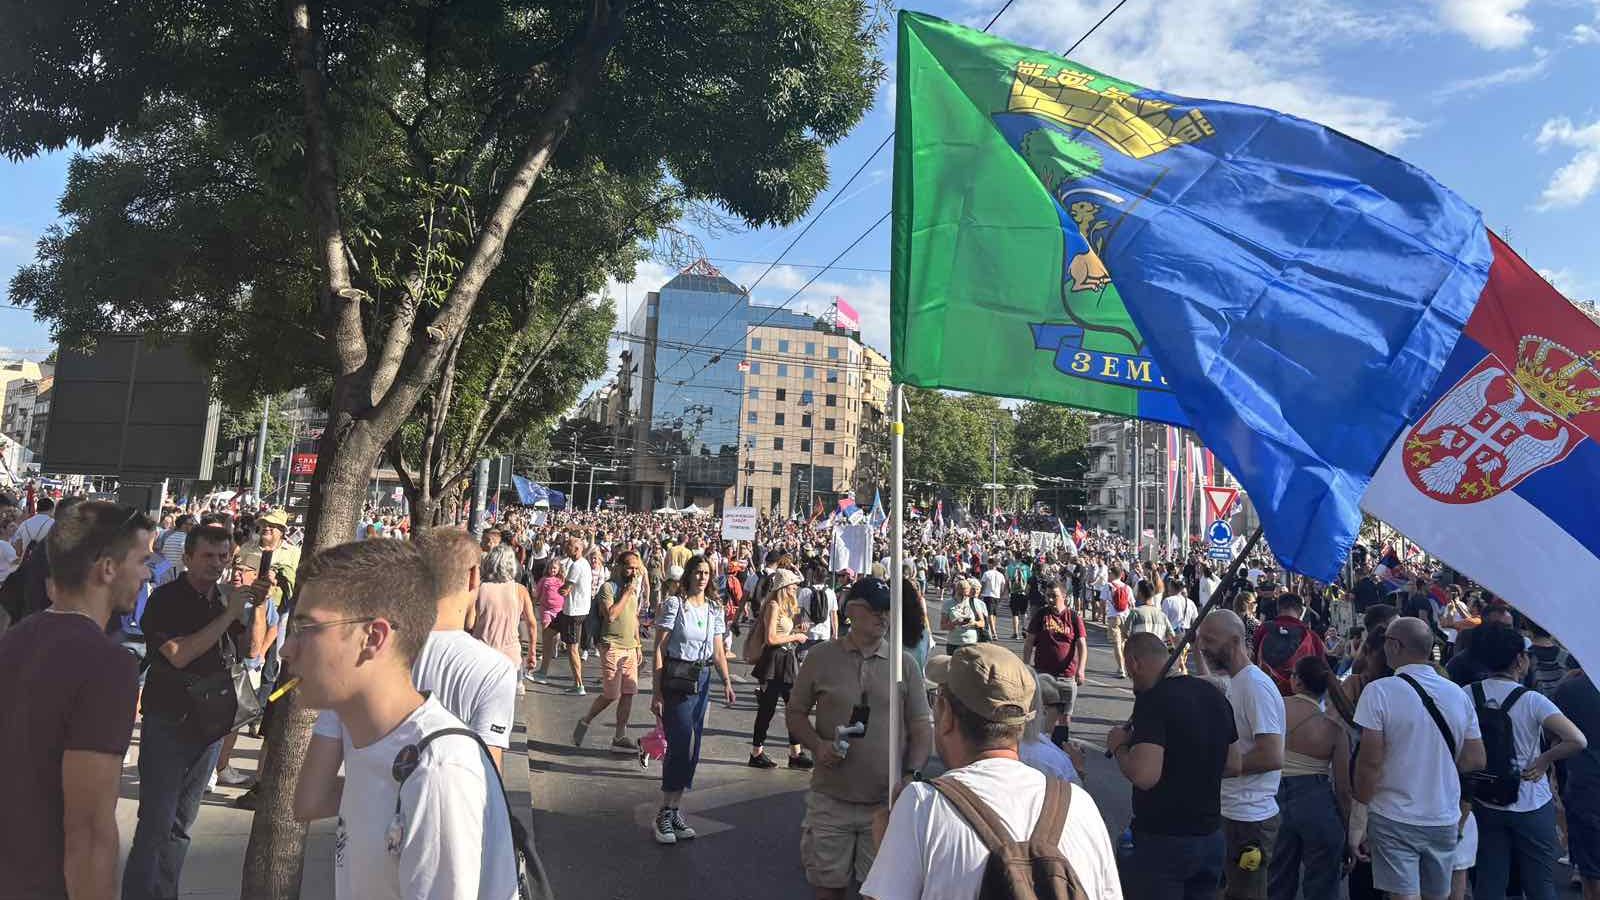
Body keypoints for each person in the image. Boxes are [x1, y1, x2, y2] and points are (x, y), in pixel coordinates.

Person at [282, 539, 518, 900]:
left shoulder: (438, 771)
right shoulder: (368, 740)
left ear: (373, 638)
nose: (286, 649)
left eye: (307, 628)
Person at [862, 642, 1119, 900]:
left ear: (946, 714)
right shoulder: (1079, 804)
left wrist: (886, 847)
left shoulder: (923, 805)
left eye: (936, 699)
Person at [0, 501, 151, 900]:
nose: (147, 573)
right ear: (107, 568)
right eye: (141, 561)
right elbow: (89, 830)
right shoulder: (108, 665)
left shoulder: (12, 640)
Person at [123, 522, 251, 900]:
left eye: (223, 556)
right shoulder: (165, 600)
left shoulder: (224, 599)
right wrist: (228, 615)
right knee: (156, 824)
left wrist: (250, 608)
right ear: (188, 557)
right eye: (208, 556)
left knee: (181, 825)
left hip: (210, 725)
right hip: (168, 720)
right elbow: (179, 655)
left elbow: (248, 648)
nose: (217, 564)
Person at [789, 577, 934, 900]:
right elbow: (795, 713)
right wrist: (818, 746)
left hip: (884, 804)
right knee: (827, 890)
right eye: (874, 609)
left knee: (879, 894)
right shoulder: (821, 657)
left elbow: (921, 725)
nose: (883, 616)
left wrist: (912, 774)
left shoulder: (904, 664)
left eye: (887, 609)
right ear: (852, 610)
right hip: (830, 800)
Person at [1352, 617, 1486, 900]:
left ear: (1394, 645)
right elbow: (1475, 759)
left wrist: (1358, 818)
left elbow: (1369, 763)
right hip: (1443, 815)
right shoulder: (1457, 695)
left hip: (1393, 814)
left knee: (1402, 895)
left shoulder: (1378, 692)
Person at [1106, 632, 1237, 899]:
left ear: (1134, 663)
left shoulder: (1153, 701)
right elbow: (1234, 764)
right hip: (1210, 836)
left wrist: (1119, 747)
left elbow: (1144, 775)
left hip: (1163, 840)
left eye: (1129, 670)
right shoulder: (1214, 695)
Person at [1464, 623, 1586, 900]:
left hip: (1484, 798)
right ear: (1519, 660)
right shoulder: (1532, 700)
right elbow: (1577, 740)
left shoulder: (1467, 694)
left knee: (1489, 881)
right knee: (1540, 885)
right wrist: (1544, 760)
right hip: (1530, 799)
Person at [1197, 609, 1287, 900]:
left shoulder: (1254, 686)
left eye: (1209, 640)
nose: (1203, 647)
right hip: (1231, 813)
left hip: (1249, 820)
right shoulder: (1236, 682)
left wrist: (1216, 770)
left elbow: (1271, 756)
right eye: (1201, 640)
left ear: (1235, 641)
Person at [649, 556, 738, 845]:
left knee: (693, 747)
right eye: (698, 572)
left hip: (702, 678)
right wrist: (656, 691)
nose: (702, 577)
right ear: (688, 575)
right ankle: (664, 812)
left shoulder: (714, 608)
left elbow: (718, 650)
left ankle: (675, 809)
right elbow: (659, 649)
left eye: (707, 573)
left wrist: (727, 681)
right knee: (679, 744)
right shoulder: (675, 604)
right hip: (677, 677)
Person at [1267, 656, 1354, 900]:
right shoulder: (1334, 729)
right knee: (1322, 885)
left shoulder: (1275, 707)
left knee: (1276, 882)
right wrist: (1350, 832)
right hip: (1317, 802)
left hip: (1274, 798)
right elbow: (1344, 791)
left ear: (1297, 681)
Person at [573, 550, 647, 754]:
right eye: (630, 567)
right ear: (620, 567)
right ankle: (586, 720)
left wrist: (638, 644)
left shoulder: (633, 589)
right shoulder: (609, 587)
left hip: (630, 647)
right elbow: (611, 615)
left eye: (636, 568)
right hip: (611, 645)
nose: (634, 572)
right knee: (611, 694)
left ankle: (620, 736)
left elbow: (634, 618)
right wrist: (626, 594)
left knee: (628, 693)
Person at [748, 566, 809, 769]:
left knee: (794, 707)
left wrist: (796, 630)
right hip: (774, 661)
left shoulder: (784, 606)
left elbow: (781, 634)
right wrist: (796, 636)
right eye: (793, 585)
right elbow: (771, 638)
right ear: (784, 586)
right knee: (767, 708)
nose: (796, 588)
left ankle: (795, 752)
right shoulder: (773, 606)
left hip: (786, 660)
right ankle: (757, 752)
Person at [1552, 664, 1600, 900]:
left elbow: (1553, 736)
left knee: (1591, 871)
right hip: (1583, 784)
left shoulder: (1569, 689)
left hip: (1583, 784)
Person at [1024, 577, 1087, 742]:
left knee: (1065, 718)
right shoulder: (1041, 615)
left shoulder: (1073, 617)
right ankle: (1043, 746)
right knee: (1048, 714)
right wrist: (1026, 666)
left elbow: (1082, 644)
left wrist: (1081, 670)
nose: (1050, 599)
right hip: (1045, 675)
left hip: (1067, 676)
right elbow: (1029, 642)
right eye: (1048, 596)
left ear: (1064, 596)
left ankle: (1060, 747)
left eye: (1054, 596)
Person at [472, 543, 538, 678]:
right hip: (510, 657)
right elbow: (532, 624)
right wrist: (532, 651)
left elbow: (469, 623)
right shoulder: (520, 591)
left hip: (482, 654)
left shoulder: (479, 589)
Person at [1253, 593, 1328, 698]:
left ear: (1278, 609)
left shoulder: (1263, 630)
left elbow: (1253, 660)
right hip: (1300, 699)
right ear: (1300, 611)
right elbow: (1322, 672)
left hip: (1266, 694)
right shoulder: (1311, 636)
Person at [554, 535, 593, 694]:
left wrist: (557, 585)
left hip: (574, 611)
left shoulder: (576, 566)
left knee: (572, 648)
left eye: (568, 546)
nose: (565, 548)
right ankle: (542, 671)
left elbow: (565, 589)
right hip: (574, 609)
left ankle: (579, 684)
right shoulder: (583, 563)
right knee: (549, 631)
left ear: (576, 549)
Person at [940, 576, 987, 654]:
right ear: (956, 591)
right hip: (954, 643)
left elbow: (982, 623)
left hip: (971, 643)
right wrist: (955, 623)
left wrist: (974, 623)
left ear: (969, 592)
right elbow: (942, 626)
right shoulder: (948, 604)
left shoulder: (974, 602)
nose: (963, 597)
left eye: (966, 595)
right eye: (960, 594)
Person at [1121, 579, 1174, 646]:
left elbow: (1125, 634)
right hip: (1157, 650)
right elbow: (1171, 635)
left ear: (1140, 593)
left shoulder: (1135, 613)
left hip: (1140, 649)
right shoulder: (1162, 615)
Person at [1106, 565, 1134, 678]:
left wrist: (1103, 615)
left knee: (1117, 643)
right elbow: (1132, 604)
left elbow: (1102, 602)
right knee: (1123, 643)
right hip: (1125, 617)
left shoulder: (1108, 586)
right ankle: (1127, 666)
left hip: (1113, 616)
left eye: (1109, 573)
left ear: (1113, 574)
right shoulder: (1127, 587)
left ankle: (1121, 668)